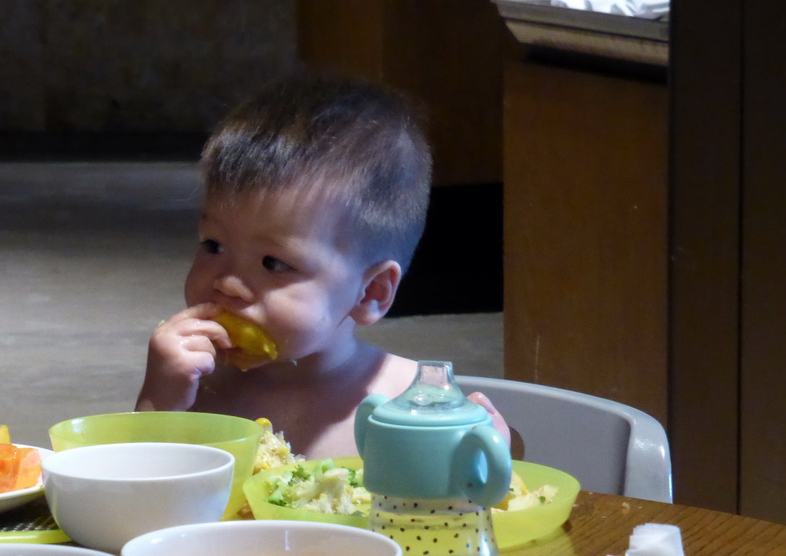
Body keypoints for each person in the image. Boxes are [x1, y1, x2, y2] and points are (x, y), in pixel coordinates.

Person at [136, 68, 508, 458]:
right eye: (213, 244)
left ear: (371, 292)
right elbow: (134, 499)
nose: (227, 282)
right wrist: (156, 406)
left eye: (274, 263)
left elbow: (465, 513)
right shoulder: (195, 386)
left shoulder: (414, 407)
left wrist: (481, 462)